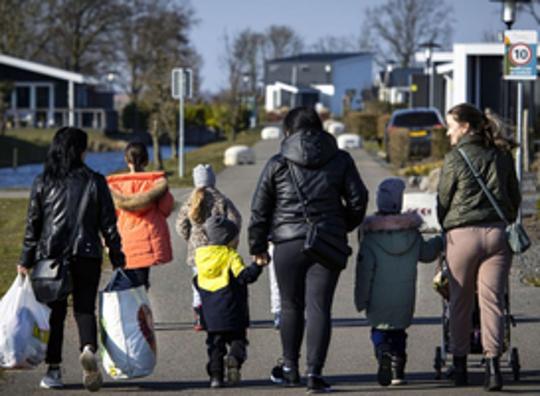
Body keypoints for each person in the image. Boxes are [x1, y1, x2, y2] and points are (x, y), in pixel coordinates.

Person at [249, 106, 368, 393]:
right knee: (319, 307)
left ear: (288, 131)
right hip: (326, 243)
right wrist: (341, 227)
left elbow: (259, 208)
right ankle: (315, 373)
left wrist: (257, 245)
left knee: (290, 305)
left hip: (287, 243)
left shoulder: (277, 163)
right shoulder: (340, 159)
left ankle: (290, 368)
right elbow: (358, 200)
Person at [17, 127, 125, 391]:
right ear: (80, 150)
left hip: (51, 258)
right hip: (87, 254)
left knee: (55, 314)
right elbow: (109, 223)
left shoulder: (43, 181)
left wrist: (25, 259)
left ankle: (53, 371)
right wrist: (116, 252)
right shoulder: (95, 181)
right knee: (84, 309)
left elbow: (34, 225)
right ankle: (88, 348)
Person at [437, 103, 521, 391]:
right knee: (493, 302)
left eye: (451, 125)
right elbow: (515, 196)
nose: (448, 130)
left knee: (460, 302)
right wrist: (503, 218)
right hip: (497, 234)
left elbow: (444, 199)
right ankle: (493, 367)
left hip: (461, 236)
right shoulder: (502, 155)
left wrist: (445, 224)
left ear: (465, 127)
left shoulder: (455, 158)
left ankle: (459, 366)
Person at [355, 178, 442, 387]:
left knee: (379, 330)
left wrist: (361, 300)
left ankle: (382, 352)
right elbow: (427, 254)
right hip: (404, 297)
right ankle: (398, 368)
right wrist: (440, 240)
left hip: (377, 298)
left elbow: (364, 273)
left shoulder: (371, 236)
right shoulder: (411, 232)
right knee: (399, 333)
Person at [194, 215, 265, 388]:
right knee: (238, 340)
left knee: (214, 346)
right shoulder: (231, 256)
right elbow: (245, 277)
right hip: (233, 310)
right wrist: (258, 265)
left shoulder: (201, 257)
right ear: (228, 239)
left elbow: (196, 281)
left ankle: (215, 377)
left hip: (210, 314)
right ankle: (235, 358)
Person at [176, 164, 242, 331]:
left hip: (197, 253)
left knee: (198, 284)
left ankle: (199, 317)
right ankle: (220, 314)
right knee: (220, 284)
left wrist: (190, 238)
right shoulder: (222, 200)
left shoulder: (190, 201)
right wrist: (230, 239)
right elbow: (236, 220)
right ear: (213, 180)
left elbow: (180, 225)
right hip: (219, 250)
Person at [107, 142, 174, 289]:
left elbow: (110, 217)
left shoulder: (115, 188)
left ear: (126, 160)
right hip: (148, 241)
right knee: (140, 281)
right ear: (146, 160)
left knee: (129, 280)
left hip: (125, 241)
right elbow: (166, 209)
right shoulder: (156, 185)